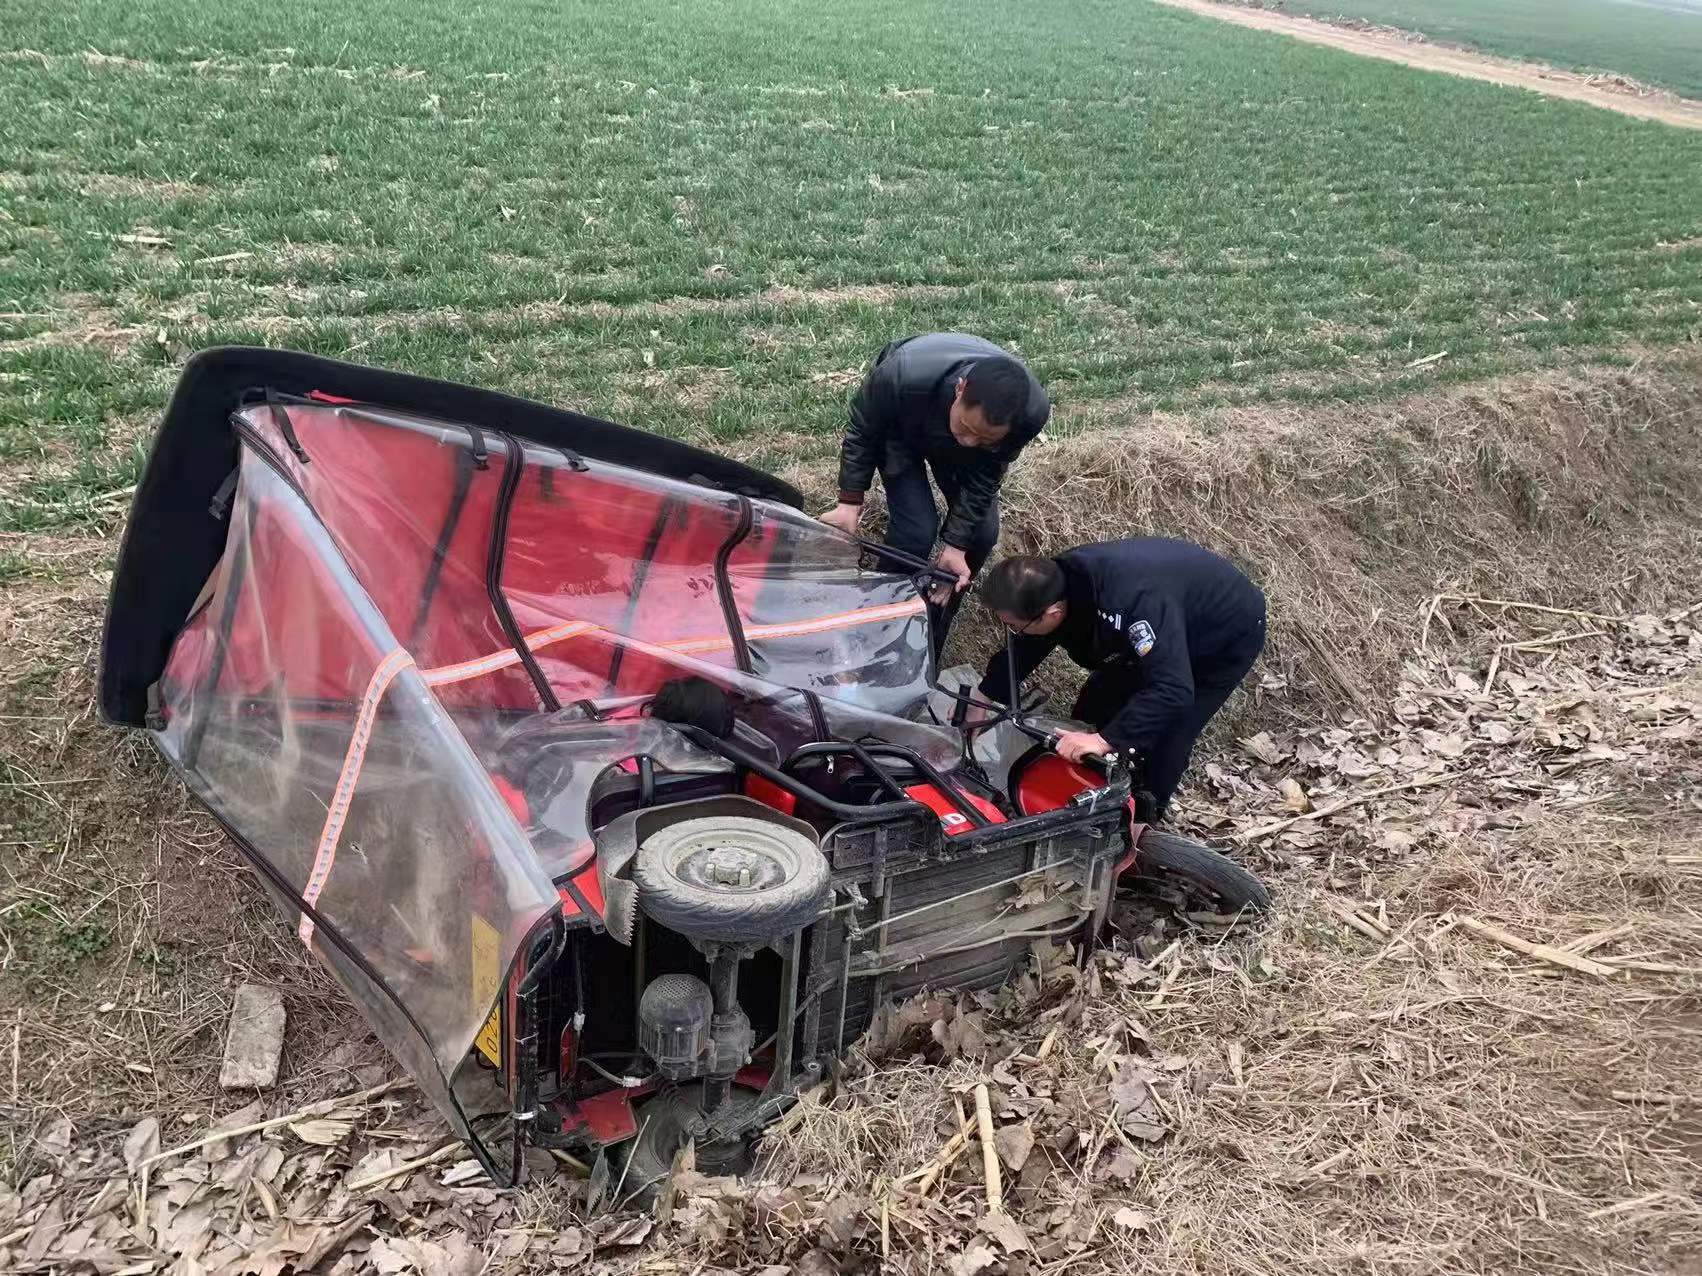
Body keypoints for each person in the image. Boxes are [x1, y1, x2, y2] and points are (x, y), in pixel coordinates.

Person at [973, 539, 1266, 815]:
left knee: (1168, 731)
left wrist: (1105, 740)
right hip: (1164, 611)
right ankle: (1073, 793)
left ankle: (1142, 819)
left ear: (1053, 613)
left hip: (1222, 632)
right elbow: (1029, 643)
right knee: (1095, 706)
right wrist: (984, 696)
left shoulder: (1131, 606)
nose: (1013, 632)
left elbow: (1173, 689)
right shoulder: (1058, 582)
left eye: (1014, 626)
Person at [818, 333, 1049, 646]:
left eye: (984, 438)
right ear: (960, 389)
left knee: (982, 534)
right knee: (915, 530)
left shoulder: (1028, 415)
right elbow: (863, 430)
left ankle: (936, 614)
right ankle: (879, 616)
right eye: (966, 427)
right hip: (902, 427)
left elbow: (986, 477)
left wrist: (956, 545)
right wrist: (850, 500)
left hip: (971, 452)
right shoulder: (902, 374)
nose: (969, 441)